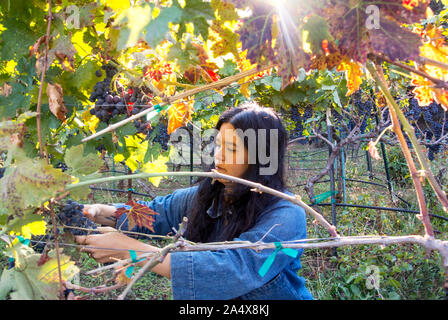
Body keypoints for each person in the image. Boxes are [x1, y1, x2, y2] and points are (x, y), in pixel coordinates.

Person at [76, 101, 313, 300]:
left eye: (230, 148)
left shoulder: (287, 215)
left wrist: (134, 252)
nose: (217, 156)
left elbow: (234, 271)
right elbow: (156, 212)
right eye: (218, 145)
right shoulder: (211, 193)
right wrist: (101, 212)